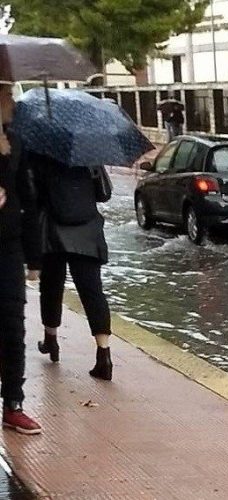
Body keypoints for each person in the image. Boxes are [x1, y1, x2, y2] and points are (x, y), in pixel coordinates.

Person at [33, 157, 114, 382]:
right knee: (93, 293)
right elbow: (104, 194)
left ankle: (51, 339)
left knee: (51, 287)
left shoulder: (41, 156)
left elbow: (33, 196)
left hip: (53, 233)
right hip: (88, 233)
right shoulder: (89, 155)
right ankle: (104, 355)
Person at [0, 84, 43, 434]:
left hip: (8, 246)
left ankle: (13, 402)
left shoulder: (16, 142)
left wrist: (34, 258)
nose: (13, 102)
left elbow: (28, 199)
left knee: (13, 325)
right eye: (8, 96)